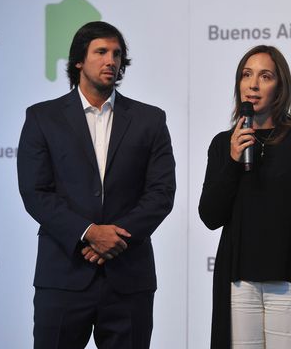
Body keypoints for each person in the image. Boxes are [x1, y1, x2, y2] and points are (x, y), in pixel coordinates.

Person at [17, 21, 176, 349]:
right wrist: (89, 232)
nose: (111, 61)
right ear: (79, 61)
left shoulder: (150, 119)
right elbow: (36, 192)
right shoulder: (42, 118)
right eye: (101, 52)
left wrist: (115, 237)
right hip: (63, 275)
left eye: (117, 54)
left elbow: (161, 193)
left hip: (129, 278)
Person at [198, 45, 291, 349]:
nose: (253, 84)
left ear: (280, 87)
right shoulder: (223, 144)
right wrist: (232, 160)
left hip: (290, 281)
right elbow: (210, 216)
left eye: (265, 76)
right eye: (246, 75)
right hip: (240, 283)